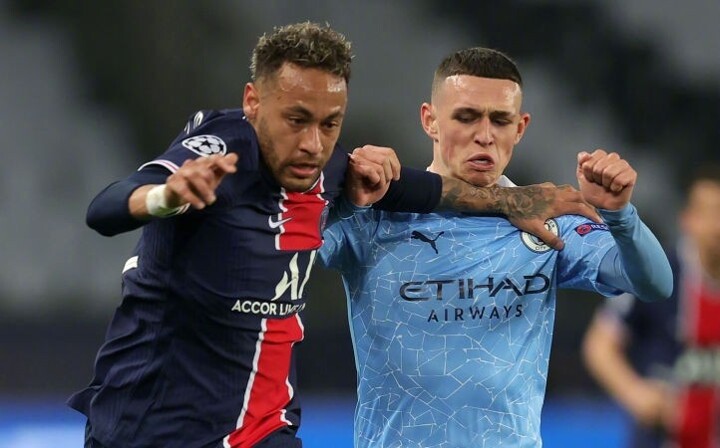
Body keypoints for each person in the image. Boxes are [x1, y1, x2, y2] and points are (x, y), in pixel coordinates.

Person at [70, 23, 600, 448]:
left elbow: (428, 191)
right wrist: (165, 198)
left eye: (329, 124)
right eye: (296, 120)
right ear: (253, 102)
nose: (313, 143)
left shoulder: (330, 170)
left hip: (264, 428)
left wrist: (512, 201)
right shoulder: (220, 150)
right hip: (149, 421)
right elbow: (106, 208)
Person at [318, 47, 673, 448]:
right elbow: (291, 244)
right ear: (430, 120)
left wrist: (621, 216)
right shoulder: (372, 217)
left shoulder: (547, 219)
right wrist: (343, 183)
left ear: (520, 128)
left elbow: (654, 284)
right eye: (466, 117)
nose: (485, 135)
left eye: (500, 120)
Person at [583, 165, 720, 448]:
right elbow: (599, 345)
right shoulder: (657, 273)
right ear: (688, 220)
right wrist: (636, 393)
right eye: (711, 212)